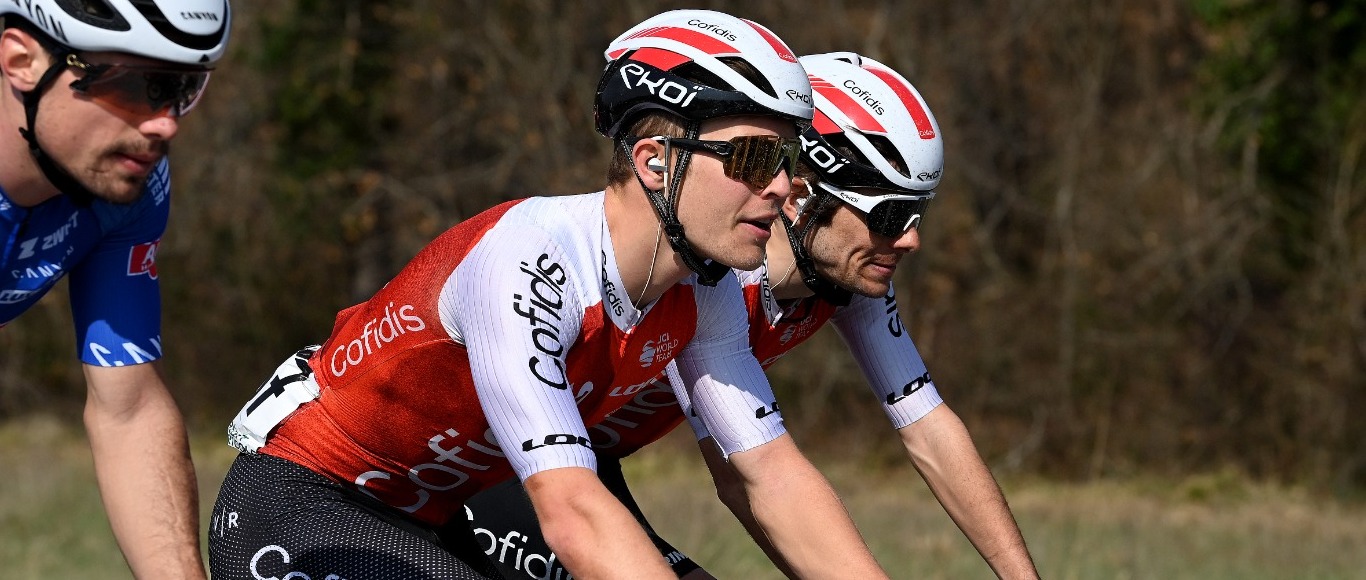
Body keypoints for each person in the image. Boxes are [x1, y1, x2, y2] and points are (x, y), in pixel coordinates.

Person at [210, 10, 891, 579]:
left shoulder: (700, 290)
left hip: (438, 523)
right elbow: (569, 508)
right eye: (752, 160)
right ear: (655, 161)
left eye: (789, 162)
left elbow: (770, 475)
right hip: (304, 503)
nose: (782, 187)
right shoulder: (531, 258)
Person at [464, 52, 1042, 579]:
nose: (911, 239)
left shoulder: (848, 271)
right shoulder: (707, 271)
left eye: (918, 213)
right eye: (889, 214)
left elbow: (929, 428)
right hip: (500, 470)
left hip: (587, 468)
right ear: (803, 193)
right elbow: (742, 476)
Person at [0, 1, 230, 578]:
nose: (164, 122)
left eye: (181, 88)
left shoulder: (127, 186)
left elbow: (126, 407)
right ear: (22, 60)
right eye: (133, 84)